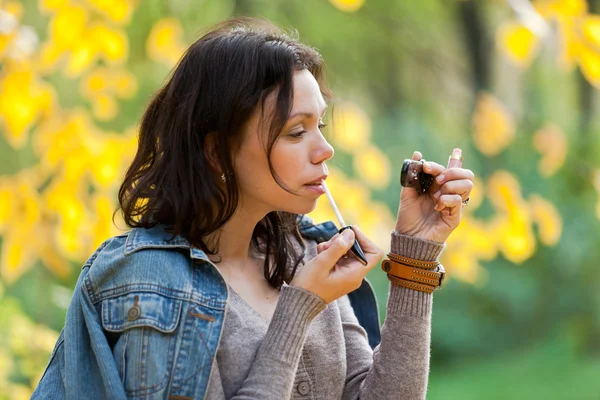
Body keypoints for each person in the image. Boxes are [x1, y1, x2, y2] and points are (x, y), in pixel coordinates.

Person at [32, 17, 474, 400]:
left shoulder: (305, 253)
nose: (326, 149)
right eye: (295, 132)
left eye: (318, 125)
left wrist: (416, 252)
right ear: (216, 151)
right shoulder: (151, 282)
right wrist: (299, 308)